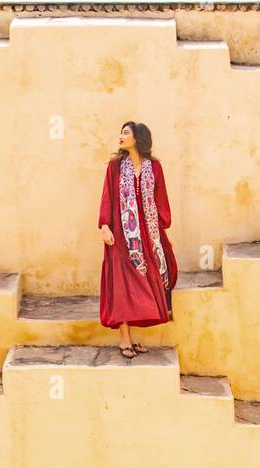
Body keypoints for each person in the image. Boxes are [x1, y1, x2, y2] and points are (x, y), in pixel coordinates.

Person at [98, 121, 177, 359]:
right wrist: (104, 225)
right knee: (122, 285)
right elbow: (107, 197)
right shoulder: (115, 167)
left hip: (148, 235)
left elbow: (160, 199)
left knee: (146, 283)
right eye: (121, 132)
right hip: (121, 234)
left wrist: (159, 231)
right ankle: (124, 339)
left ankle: (131, 338)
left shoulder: (154, 167)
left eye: (125, 133)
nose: (120, 136)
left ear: (138, 138)